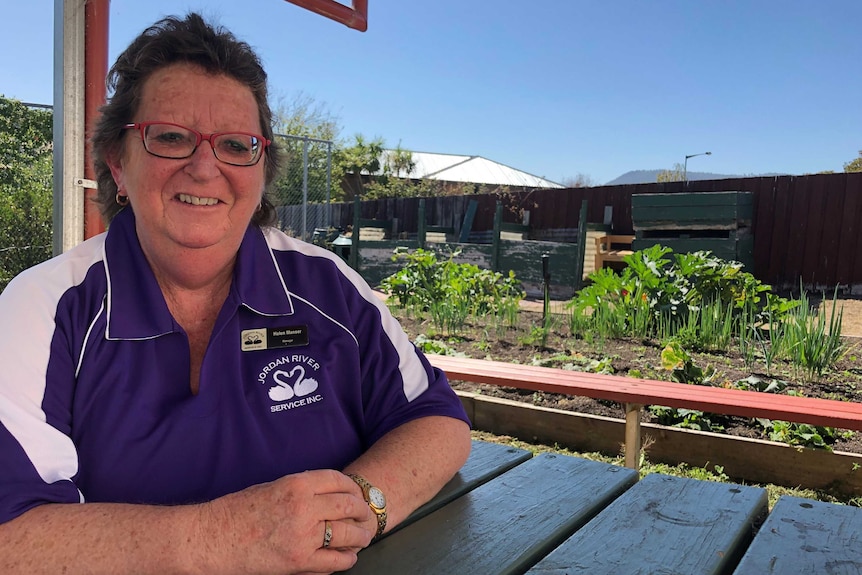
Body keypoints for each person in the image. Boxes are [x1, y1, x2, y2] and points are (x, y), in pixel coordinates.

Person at [0, 13, 471, 575]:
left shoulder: (327, 287)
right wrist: (222, 539)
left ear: (261, 169)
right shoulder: (45, 309)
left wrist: (362, 506)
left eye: (236, 144)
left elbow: (437, 421)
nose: (206, 167)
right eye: (170, 137)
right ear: (117, 164)